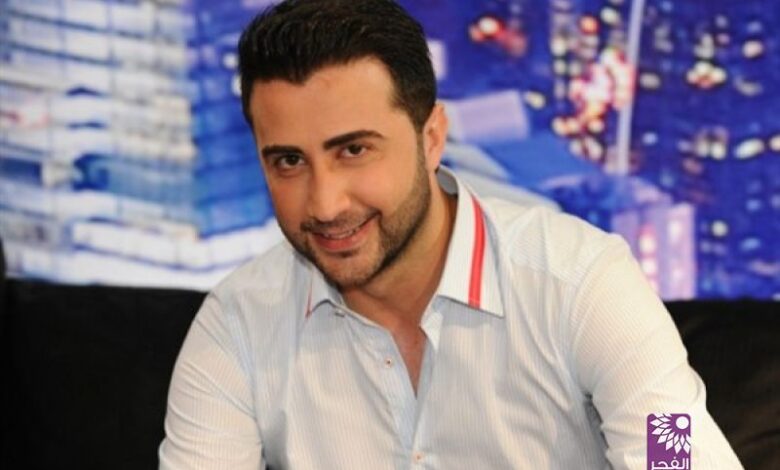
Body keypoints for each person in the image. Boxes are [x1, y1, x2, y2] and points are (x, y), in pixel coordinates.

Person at [159, 1, 742, 468]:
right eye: (289, 161)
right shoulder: (237, 325)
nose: (325, 203)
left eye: (354, 150)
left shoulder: (586, 283)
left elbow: (677, 457)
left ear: (432, 138)